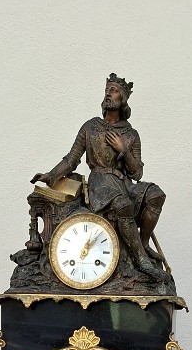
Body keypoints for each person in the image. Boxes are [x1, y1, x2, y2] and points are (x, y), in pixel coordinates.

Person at [31, 74, 166, 279]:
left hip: (124, 182)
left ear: (123, 100)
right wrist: (51, 175)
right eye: (107, 90)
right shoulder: (90, 127)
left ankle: (143, 243)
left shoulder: (131, 134)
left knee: (156, 195)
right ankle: (142, 261)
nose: (108, 94)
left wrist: (124, 150)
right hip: (101, 182)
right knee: (122, 205)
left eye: (113, 91)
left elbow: (137, 172)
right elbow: (71, 159)